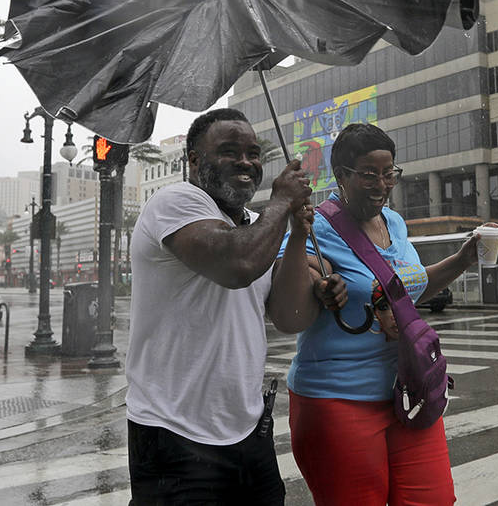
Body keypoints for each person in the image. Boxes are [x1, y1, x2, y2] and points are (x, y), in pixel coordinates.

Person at [126, 107, 347, 505]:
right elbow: (238, 265)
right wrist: (280, 202)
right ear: (193, 161)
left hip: (248, 433)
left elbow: (288, 318)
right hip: (174, 436)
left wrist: (298, 235)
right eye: (229, 151)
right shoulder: (174, 202)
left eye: (253, 152)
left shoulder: (252, 225)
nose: (246, 162)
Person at [275, 123, 498, 505]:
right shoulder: (318, 227)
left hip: (408, 391)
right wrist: (319, 281)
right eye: (368, 174)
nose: (381, 184)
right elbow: (295, 294)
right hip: (338, 400)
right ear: (341, 175)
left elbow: (405, 292)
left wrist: (465, 257)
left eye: (388, 173)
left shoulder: (393, 222)